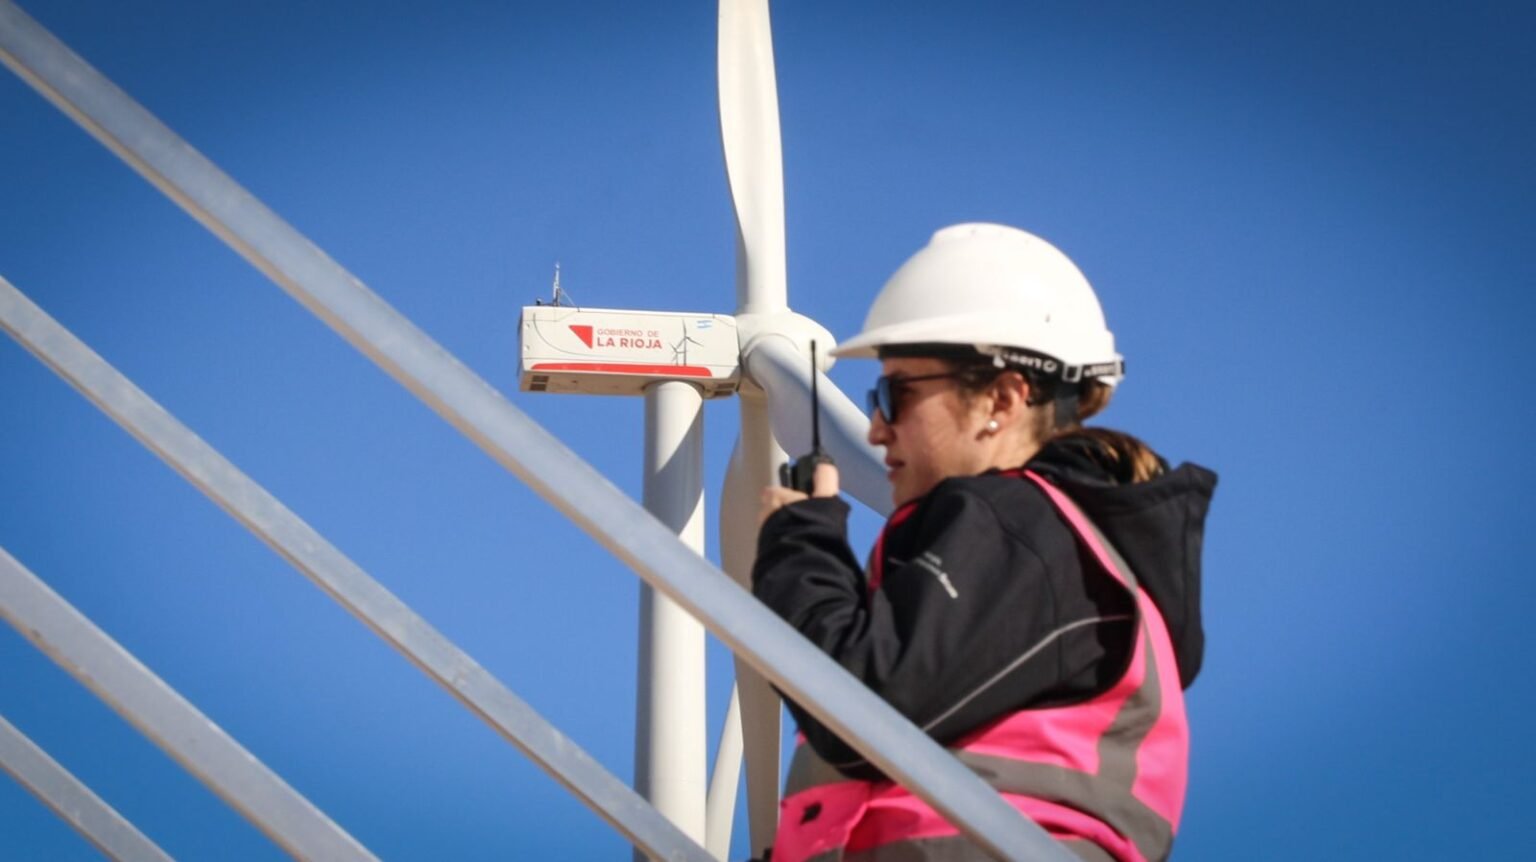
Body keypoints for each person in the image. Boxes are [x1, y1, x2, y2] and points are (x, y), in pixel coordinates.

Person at [753, 223, 1217, 862]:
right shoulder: (1079, 549)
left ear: (1002, 398)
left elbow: (859, 708)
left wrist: (799, 538)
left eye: (898, 394)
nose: (878, 429)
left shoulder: (1019, 527)